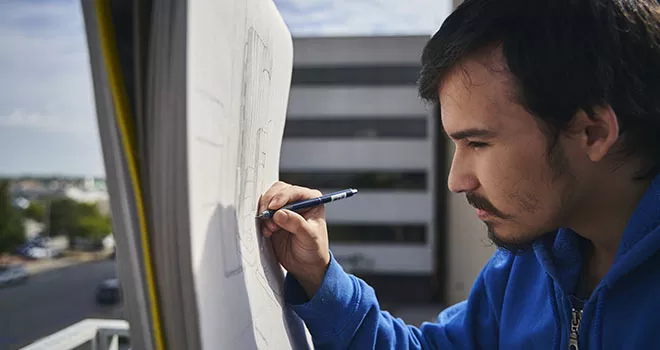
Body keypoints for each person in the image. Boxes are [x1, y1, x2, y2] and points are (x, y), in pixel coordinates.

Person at [259, 0, 660, 348]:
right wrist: (319, 275)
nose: (456, 181)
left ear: (592, 132)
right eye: (456, 144)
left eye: (478, 143)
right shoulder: (527, 266)